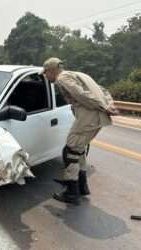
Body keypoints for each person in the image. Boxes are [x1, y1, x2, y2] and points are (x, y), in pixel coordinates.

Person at [42, 57, 119, 205]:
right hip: (96, 118)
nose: (46, 76)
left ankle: (71, 193)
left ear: (51, 70)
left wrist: (104, 106)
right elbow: (103, 90)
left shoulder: (62, 78)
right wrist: (109, 104)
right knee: (78, 151)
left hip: (89, 118)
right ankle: (82, 186)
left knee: (70, 152)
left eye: (46, 73)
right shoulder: (80, 74)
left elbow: (80, 94)